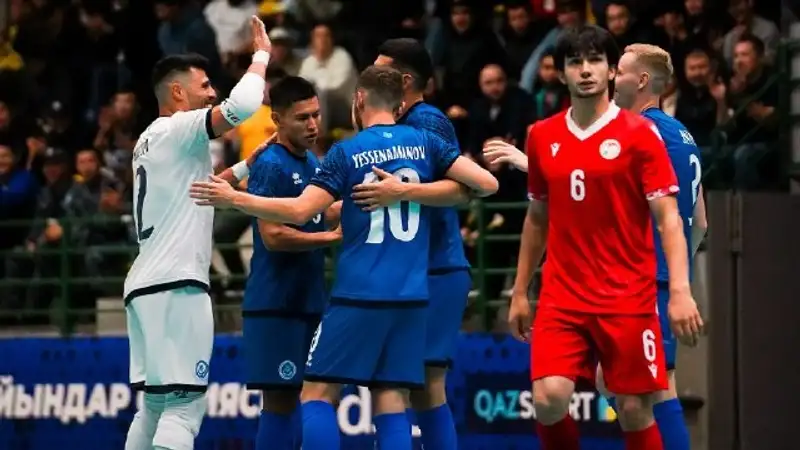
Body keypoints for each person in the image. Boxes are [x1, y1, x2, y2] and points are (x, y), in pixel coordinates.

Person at [188, 65, 499, 450]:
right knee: (390, 396)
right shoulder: (425, 143)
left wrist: (236, 198)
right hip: (413, 296)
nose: (313, 123)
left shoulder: (347, 151)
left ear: (360, 99)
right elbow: (486, 184)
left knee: (317, 393)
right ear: (400, 103)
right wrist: (406, 192)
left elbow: (300, 211)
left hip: (360, 293)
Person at [484, 25, 703, 450]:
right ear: (560, 73)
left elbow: (671, 219)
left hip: (628, 295)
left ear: (610, 70)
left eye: (595, 61)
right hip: (562, 296)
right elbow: (537, 217)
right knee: (548, 399)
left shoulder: (642, 134)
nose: (585, 70)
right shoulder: (541, 135)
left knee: (636, 407)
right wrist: (520, 290)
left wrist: (680, 290)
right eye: (575, 62)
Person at [123, 16, 272, 450]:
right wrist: (261, 56)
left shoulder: (149, 140)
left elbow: (198, 193)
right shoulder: (179, 127)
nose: (211, 93)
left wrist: (246, 165)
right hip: (177, 284)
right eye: (204, 85)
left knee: (155, 405)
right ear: (177, 92)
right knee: (185, 407)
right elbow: (242, 106)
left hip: (145, 285)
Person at [360, 37, 469, 450]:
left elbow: (462, 188)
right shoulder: (387, 124)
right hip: (404, 269)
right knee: (413, 386)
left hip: (435, 267)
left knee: (416, 384)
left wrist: (401, 192)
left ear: (404, 80)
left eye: (380, 68)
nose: (370, 74)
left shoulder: (428, 121)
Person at [242, 76, 342, 450]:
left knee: (311, 398)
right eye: (302, 118)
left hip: (309, 299)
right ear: (277, 119)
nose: (313, 125)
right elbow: (273, 235)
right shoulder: (270, 164)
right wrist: (329, 238)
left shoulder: (312, 161)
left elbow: (316, 213)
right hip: (276, 303)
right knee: (281, 402)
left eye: (316, 115)